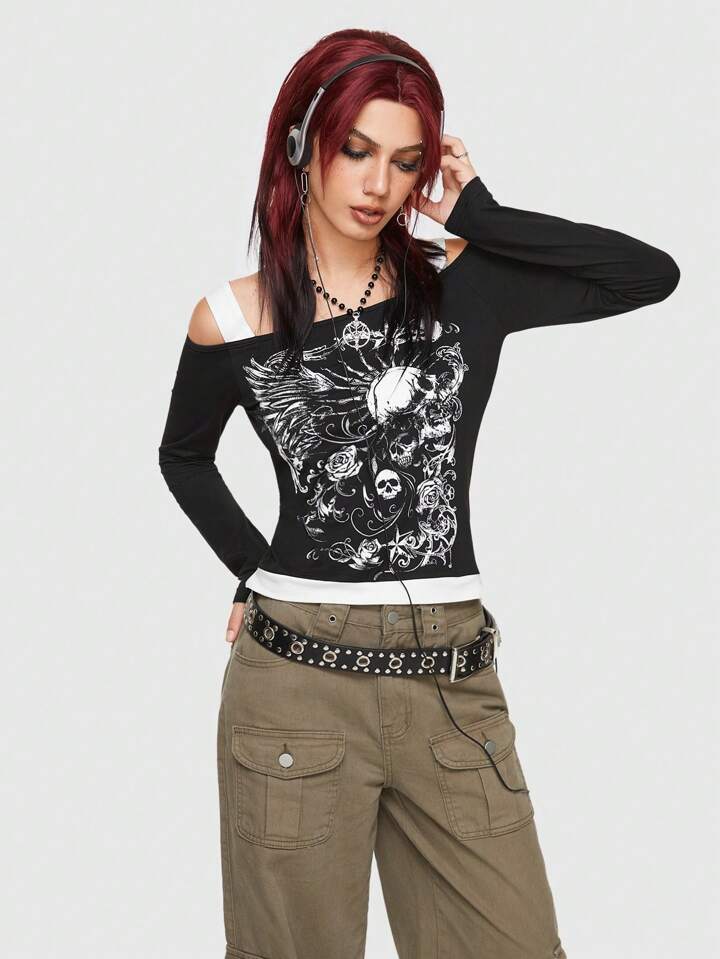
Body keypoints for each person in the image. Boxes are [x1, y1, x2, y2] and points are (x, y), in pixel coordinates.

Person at [157, 29, 679, 959]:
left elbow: (647, 274)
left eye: (406, 162)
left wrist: (484, 213)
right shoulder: (233, 318)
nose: (378, 184)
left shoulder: (461, 285)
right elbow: (184, 456)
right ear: (300, 145)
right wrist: (251, 566)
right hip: (297, 685)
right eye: (356, 150)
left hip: (452, 683)